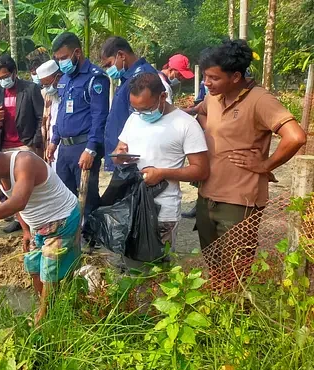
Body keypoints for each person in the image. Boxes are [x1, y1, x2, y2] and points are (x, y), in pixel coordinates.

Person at [192, 39, 306, 250]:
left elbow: (296, 137)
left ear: (236, 77)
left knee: (236, 269)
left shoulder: (260, 100)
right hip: (207, 195)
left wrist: (265, 165)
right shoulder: (214, 97)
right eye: (206, 76)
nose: (206, 83)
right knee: (213, 264)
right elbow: (201, 112)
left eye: (214, 78)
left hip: (239, 201)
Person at [0, 139, 81, 323]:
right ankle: (47, 306)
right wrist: (25, 230)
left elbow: (18, 202)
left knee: (50, 272)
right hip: (38, 228)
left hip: (62, 221)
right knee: (33, 266)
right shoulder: (2, 174)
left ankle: (45, 318)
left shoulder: (24, 163)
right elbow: (18, 206)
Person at [111, 73, 209, 251]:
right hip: (131, 206)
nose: (141, 114)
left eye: (146, 108)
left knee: (159, 270)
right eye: (136, 109)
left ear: (163, 96)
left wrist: (163, 173)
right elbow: (119, 149)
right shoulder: (134, 118)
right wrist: (119, 155)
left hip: (163, 212)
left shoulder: (185, 124)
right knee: (131, 270)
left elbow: (201, 170)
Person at [45, 32, 110, 226]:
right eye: (58, 59)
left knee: (87, 196)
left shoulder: (95, 78)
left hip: (83, 148)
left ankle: (90, 239)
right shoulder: (65, 79)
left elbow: (100, 117)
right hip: (64, 148)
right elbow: (62, 112)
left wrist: (91, 149)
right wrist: (54, 140)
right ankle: (71, 237)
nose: (61, 62)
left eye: (64, 57)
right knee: (65, 195)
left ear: (77, 53)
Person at [0, 54, 45, 233]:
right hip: (4, 146)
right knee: (9, 189)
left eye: (5, 77)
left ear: (14, 73)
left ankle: (35, 221)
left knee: (28, 187)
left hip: (25, 145)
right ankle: (19, 221)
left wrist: (36, 143)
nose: (3, 81)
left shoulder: (30, 89)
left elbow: (40, 118)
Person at [100, 36, 159, 171]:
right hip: (123, 156)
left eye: (109, 64)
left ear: (121, 55)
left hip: (134, 160)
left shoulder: (142, 77)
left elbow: (142, 120)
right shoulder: (127, 77)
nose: (108, 70)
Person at [36, 60, 63, 171]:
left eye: (47, 84)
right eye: (43, 85)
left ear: (57, 77)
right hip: (52, 142)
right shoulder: (47, 96)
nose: (46, 88)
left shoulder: (67, 92)